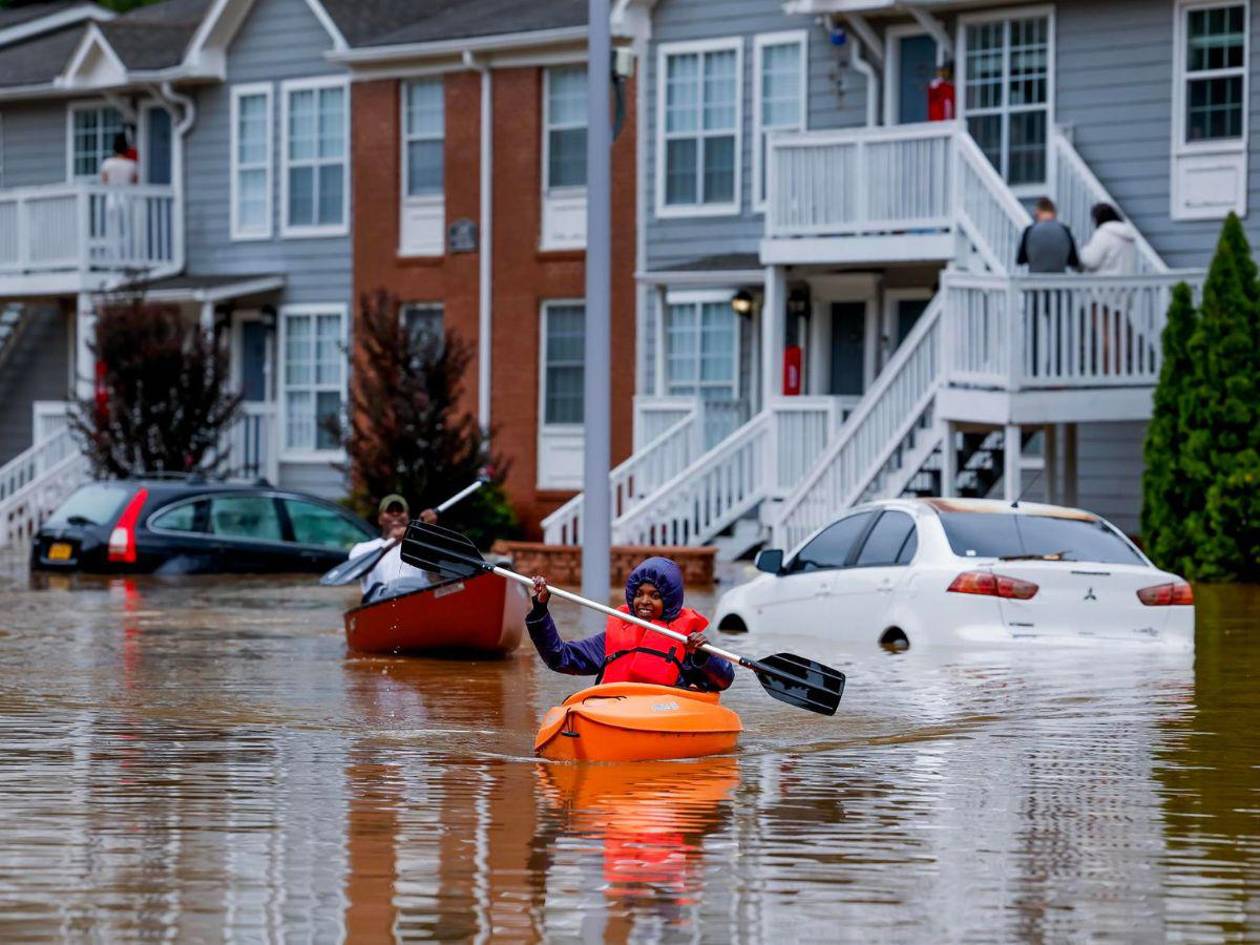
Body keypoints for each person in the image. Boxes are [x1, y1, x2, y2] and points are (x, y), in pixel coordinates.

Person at [525, 557, 734, 692]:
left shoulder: (687, 642)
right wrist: (540, 609)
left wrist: (702, 656)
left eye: (655, 596)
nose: (644, 601)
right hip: (615, 712)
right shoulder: (612, 639)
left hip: (665, 715)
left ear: (669, 600)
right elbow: (560, 657)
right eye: (639, 594)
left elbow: (723, 680)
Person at [348, 494, 438, 599]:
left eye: (400, 510)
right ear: (380, 519)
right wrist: (391, 543)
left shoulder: (422, 545)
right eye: (389, 511)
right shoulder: (362, 549)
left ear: (407, 517)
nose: (395, 513)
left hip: (415, 600)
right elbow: (354, 574)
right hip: (379, 602)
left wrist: (429, 530)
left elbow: (435, 580)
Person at [1016, 197, 1081, 273]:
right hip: (1059, 281)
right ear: (1054, 213)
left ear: (1038, 212)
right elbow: (1073, 261)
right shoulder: (1065, 230)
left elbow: (1020, 260)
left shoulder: (1029, 231)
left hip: (1035, 281)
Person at [1079, 202, 1137, 275]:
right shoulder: (1128, 236)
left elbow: (1091, 261)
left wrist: (1083, 252)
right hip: (1127, 283)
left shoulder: (1103, 234)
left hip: (1106, 283)